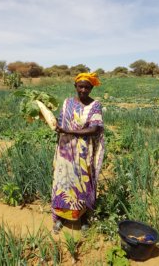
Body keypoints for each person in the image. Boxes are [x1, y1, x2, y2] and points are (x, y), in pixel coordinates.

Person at [51, 72, 105, 233]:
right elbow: (60, 122)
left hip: (82, 151)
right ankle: (60, 218)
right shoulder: (67, 103)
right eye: (80, 86)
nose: (83, 90)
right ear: (75, 86)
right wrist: (53, 122)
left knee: (82, 184)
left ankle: (83, 219)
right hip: (65, 150)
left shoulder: (95, 105)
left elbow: (94, 129)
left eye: (87, 87)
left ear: (91, 88)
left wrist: (68, 130)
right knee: (62, 183)